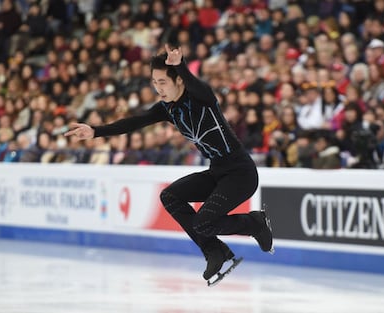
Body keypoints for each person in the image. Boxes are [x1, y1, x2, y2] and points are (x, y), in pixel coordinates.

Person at [64, 45, 273, 284]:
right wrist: (95, 131)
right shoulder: (167, 109)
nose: (158, 88)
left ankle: (254, 223)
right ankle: (214, 251)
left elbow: (198, 86)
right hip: (218, 171)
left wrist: (180, 66)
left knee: (204, 222)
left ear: (179, 81)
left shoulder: (201, 98)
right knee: (171, 196)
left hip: (240, 173)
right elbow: (133, 122)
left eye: (163, 81)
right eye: (154, 82)